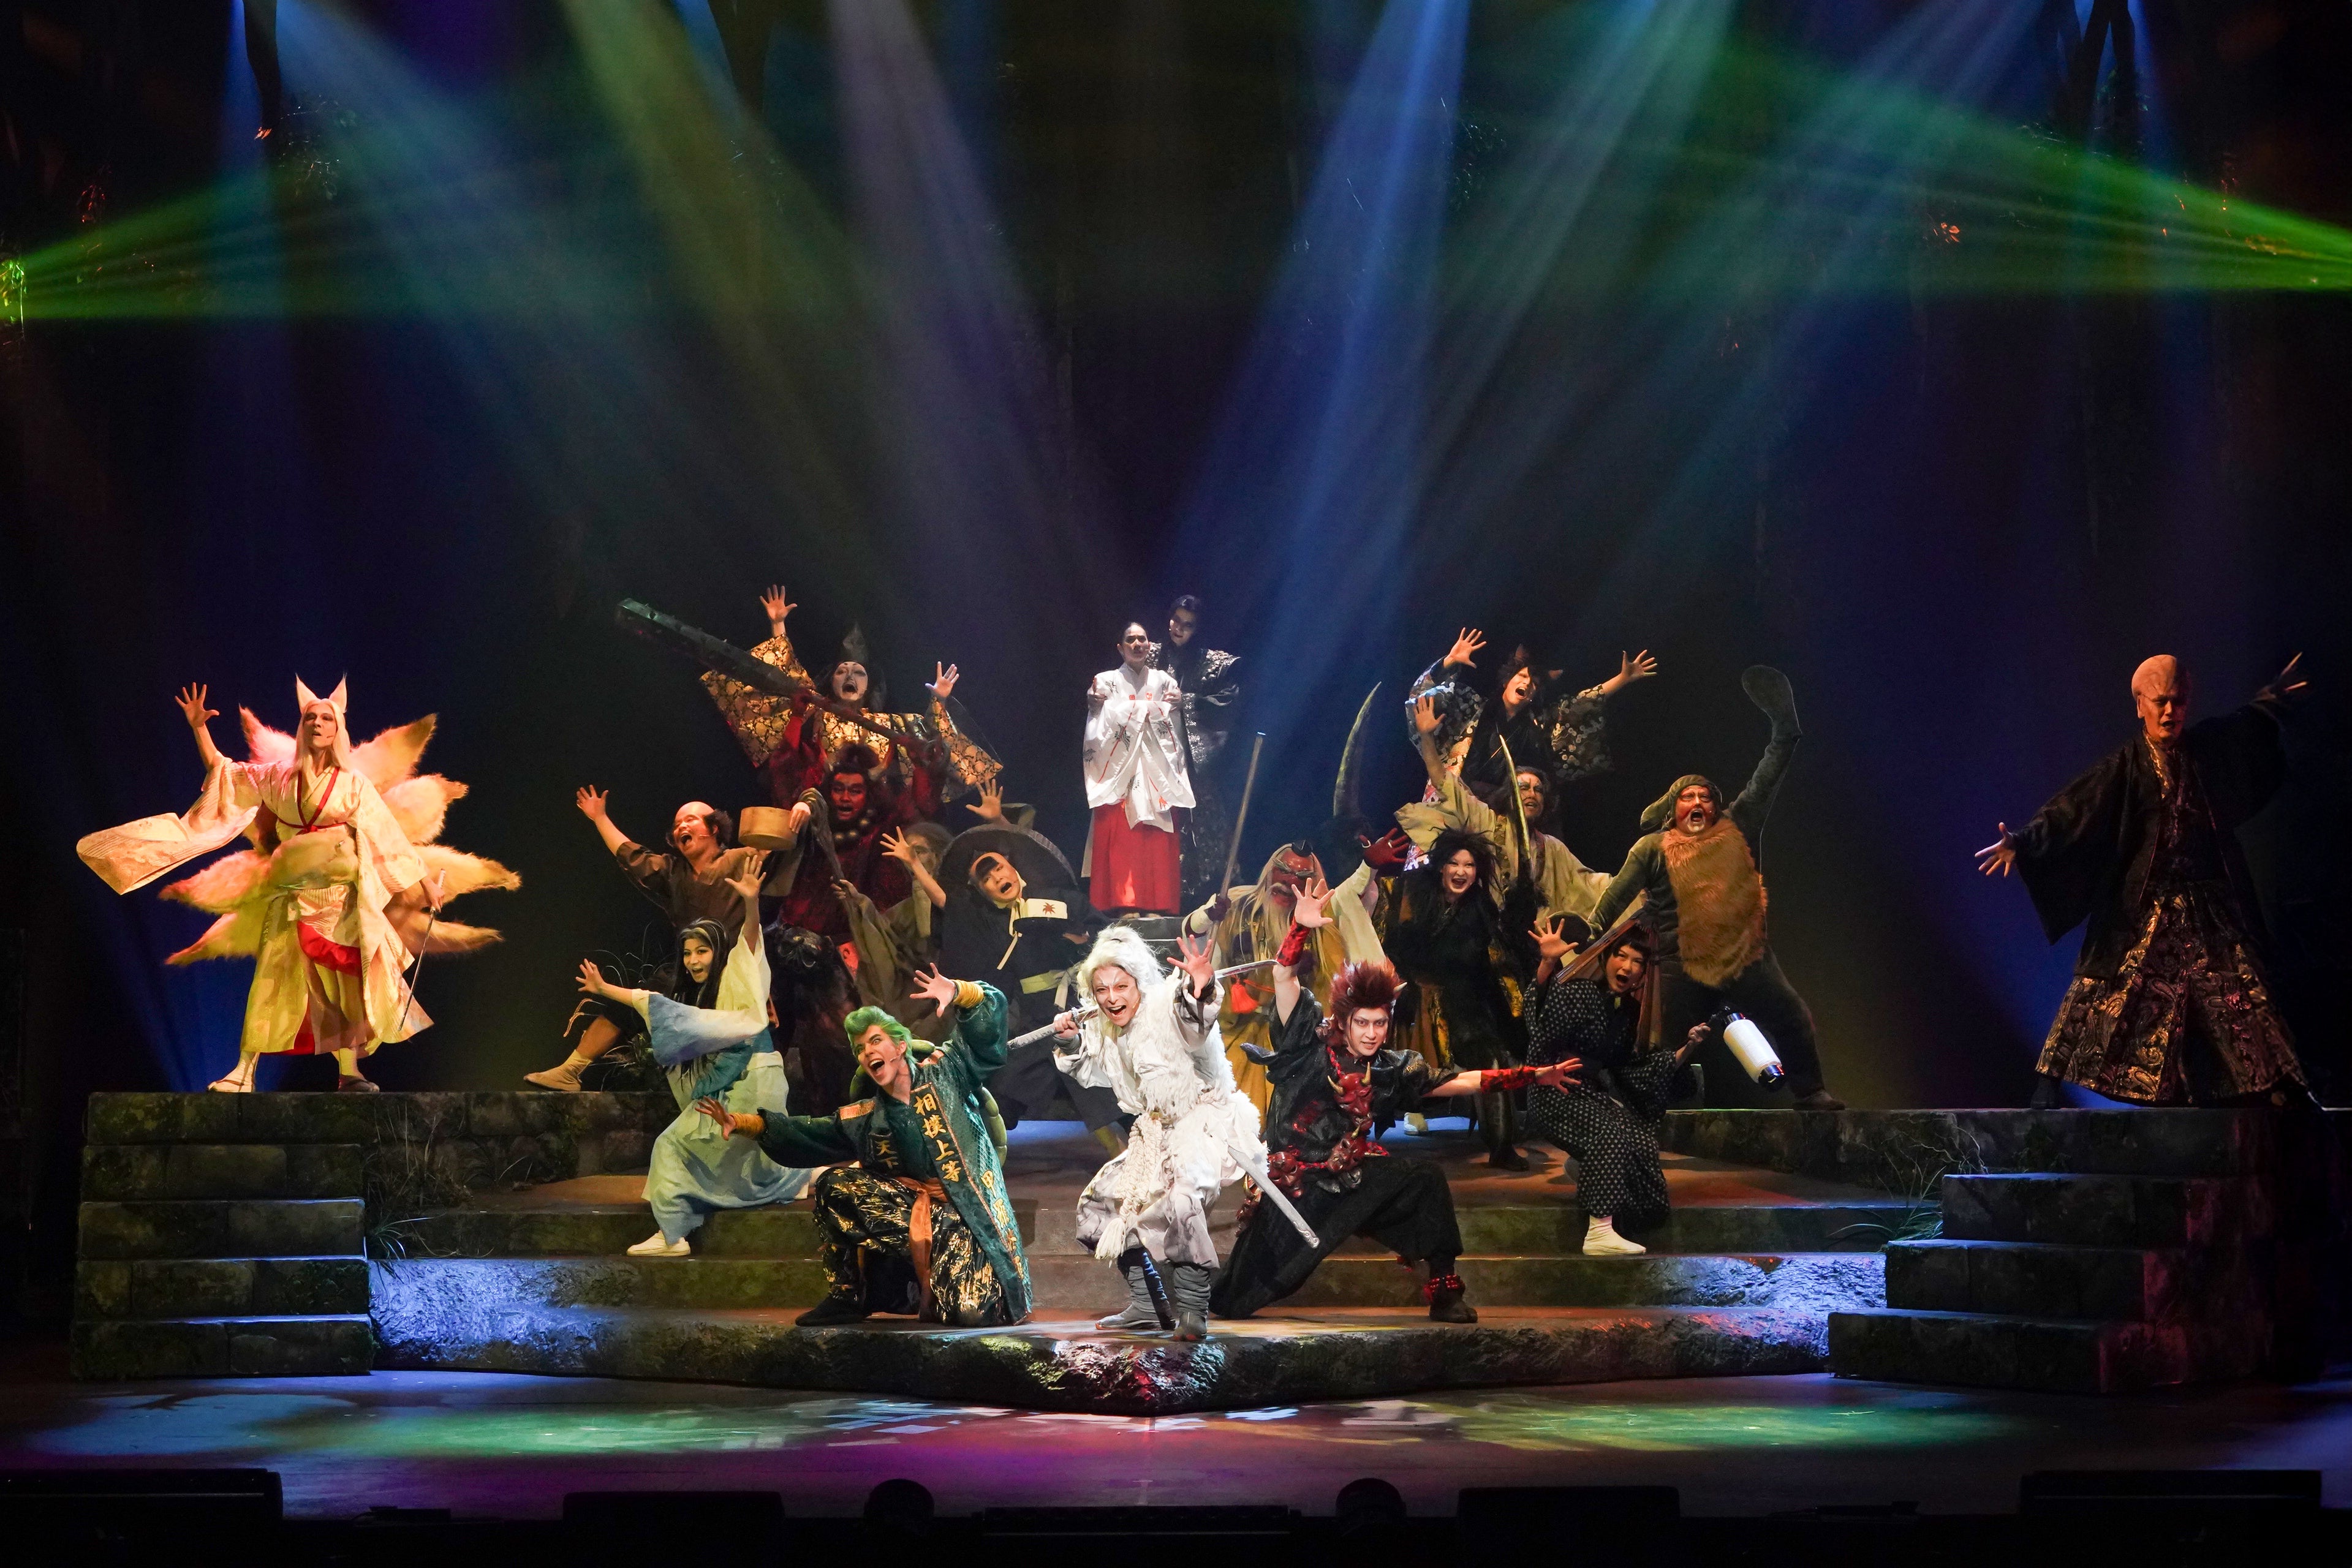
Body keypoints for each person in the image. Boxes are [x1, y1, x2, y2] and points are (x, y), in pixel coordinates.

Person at [78, 680, 515, 1093]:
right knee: (273, 980)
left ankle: (349, 1072)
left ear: (338, 729)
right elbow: (225, 773)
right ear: (302, 727)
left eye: (327, 719)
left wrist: (424, 883)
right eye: (311, 718)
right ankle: (243, 1071)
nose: (318, 724)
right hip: (292, 896)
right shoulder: (277, 778)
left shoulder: (353, 784)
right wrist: (200, 730)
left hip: (340, 898)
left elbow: (388, 836)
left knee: (344, 984)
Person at [1212, 884, 1570, 1324]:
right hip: (1300, 1185)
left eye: (1379, 1023)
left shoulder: (1391, 1068)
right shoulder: (1306, 1046)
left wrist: (1533, 1075)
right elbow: (1284, 979)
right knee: (1232, 1299)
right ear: (1344, 1021)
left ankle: (1445, 1292)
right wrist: (1299, 931)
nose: (1371, 1033)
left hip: (1354, 1174)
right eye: (1362, 1023)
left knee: (1423, 1180)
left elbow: (1461, 1080)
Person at [1977, 654, 2312, 1107]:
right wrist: (2024, 842)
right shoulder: (2126, 766)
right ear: (2140, 706)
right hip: (2144, 904)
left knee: (2239, 984)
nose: (2170, 711)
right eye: (2159, 702)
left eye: (2178, 701)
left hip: (2205, 905)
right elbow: (2075, 808)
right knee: (2105, 986)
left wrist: (2271, 700)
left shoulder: (2204, 752)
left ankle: (2278, 1082)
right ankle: (2048, 1081)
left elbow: (2242, 728)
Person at [699, 969, 1032, 1327]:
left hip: (967, 1219)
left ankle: (943, 1286)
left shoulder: (947, 1073)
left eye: (875, 1041)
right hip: (912, 1214)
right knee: (834, 1185)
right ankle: (848, 1295)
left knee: (972, 1314)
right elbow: (808, 1134)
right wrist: (746, 1123)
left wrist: (960, 991)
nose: (867, 1051)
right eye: (860, 1048)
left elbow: (984, 1032)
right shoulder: (866, 1117)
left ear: (900, 1047)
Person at [1587, 667, 1842, 1110]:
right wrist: (1589, 932)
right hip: (1681, 963)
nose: (1697, 803)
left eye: (1705, 797)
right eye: (1687, 797)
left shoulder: (1738, 828)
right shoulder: (1651, 848)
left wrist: (1784, 732)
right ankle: (1652, 1110)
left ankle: (1810, 1092)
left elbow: (1766, 778)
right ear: (1672, 810)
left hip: (1745, 956)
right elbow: (1614, 898)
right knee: (1666, 1045)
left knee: (1792, 1016)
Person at [576, 859, 819, 1256]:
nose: (693, 961)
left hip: (754, 1085)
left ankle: (673, 1237)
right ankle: (804, 1176)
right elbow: (653, 1003)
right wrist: (604, 989)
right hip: (734, 1086)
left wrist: (752, 905)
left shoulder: (737, 974)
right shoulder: (699, 999)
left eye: (702, 951)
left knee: (674, 1145)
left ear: (718, 952)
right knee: (743, 1156)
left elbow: (750, 945)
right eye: (688, 953)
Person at [1053, 927, 1259, 1340]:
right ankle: (1147, 1305)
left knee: (1183, 1203)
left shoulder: (1166, 1008)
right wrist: (1074, 1043)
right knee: (1100, 1204)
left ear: (1138, 983)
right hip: (1154, 1129)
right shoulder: (1107, 1028)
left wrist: (1199, 988)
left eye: (1121, 987)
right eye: (1102, 989)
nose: (1111, 998)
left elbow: (1194, 1023)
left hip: (1200, 1122)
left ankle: (1193, 1312)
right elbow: (1098, 1074)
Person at [526, 790, 758, 1091]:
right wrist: (600, 818)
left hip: (734, 975)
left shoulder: (742, 860)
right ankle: (571, 1070)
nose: (681, 827)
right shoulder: (673, 873)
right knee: (633, 1003)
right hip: (688, 972)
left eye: (690, 820)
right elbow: (632, 856)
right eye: (677, 824)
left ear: (713, 828)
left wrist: (806, 806)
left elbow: (785, 848)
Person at [698, 582, 998, 805]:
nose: (850, 677)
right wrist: (778, 625)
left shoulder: (891, 725)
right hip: (821, 807)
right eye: (842, 671)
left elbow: (934, 743)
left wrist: (939, 701)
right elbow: (783, 681)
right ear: (832, 681)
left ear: (870, 685)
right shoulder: (817, 712)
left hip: (877, 817)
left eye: (859, 672)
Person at [1524, 921, 1708, 1256]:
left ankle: (1588, 1172)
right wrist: (1548, 964)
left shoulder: (1628, 1012)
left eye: (1637, 962)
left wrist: (1687, 1049)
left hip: (1589, 1092)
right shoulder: (1578, 992)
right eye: (1621, 956)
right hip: (1554, 1087)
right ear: (1605, 958)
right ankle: (1599, 1232)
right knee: (1607, 1133)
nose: (1627, 967)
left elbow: (1629, 1067)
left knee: (1641, 1142)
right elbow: (1541, 1010)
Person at [1182, 840, 1384, 1115]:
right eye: (1284, 871)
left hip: (1296, 1036)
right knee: (1230, 1111)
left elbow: (1347, 894)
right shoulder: (1237, 901)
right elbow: (1192, 928)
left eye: (1301, 876)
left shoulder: (1321, 915)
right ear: (1270, 870)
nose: (1289, 882)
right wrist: (1208, 916)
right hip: (1241, 1025)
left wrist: (1368, 867)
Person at [1382, 826, 1538, 1169]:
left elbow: (1495, 958)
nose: (1461, 872)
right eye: (1454, 863)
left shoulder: (1480, 907)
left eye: (1469, 865)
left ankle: (1502, 1146)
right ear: (1441, 866)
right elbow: (1391, 940)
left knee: (1492, 1061)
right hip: (1410, 1000)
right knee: (1386, 1070)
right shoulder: (1412, 891)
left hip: (1462, 1002)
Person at [1404, 692, 1613, 930]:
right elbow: (1445, 784)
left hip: (1531, 940)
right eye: (1523, 788)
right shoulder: (1487, 823)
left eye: (1538, 790)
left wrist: (1632, 884)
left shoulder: (1552, 848)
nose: (1532, 794)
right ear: (1509, 796)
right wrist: (1427, 737)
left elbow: (1587, 882)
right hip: (1483, 930)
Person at [1407, 628, 1657, 804]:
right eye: (1522, 677)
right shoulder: (1471, 707)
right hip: (1451, 796)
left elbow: (1580, 704)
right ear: (1507, 680)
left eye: (1534, 683)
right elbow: (1423, 697)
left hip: (1498, 810)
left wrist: (1622, 679)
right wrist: (1450, 661)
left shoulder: (1538, 726)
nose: (1527, 684)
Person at [1083, 621, 1193, 916]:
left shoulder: (1164, 681)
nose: (1137, 644)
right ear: (1121, 648)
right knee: (1124, 840)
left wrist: (1180, 704)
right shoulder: (1105, 681)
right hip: (1120, 768)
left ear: (1149, 646)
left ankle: (1157, 903)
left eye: (1142, 639)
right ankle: (1124, 903)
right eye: (1130, 640)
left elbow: (1176, 724)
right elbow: (1098, 726)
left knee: (1155, 838)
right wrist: (1096, 706)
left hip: (1156, 769)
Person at [1155, 595, 1243, 909]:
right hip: (1154, 763)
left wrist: (1188, 702)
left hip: (1194, 765)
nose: (1178, 629)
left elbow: (1227, 704)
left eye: (1188, 625)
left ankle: (1206, 897)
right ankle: (1159, 896)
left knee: (1202, 831)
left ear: (1198, 629)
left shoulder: (1214, 664)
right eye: (1175, 620)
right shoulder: (1151, 656)